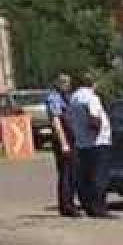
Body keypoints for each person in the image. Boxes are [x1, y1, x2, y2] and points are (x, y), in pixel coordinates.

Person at [67, 73, 113, 219]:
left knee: (86, 176)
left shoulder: (74, 98)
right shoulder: (91, 98)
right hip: (97, 142)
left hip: (82, 142)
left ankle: (88, 206)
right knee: (99, 176)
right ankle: (99, 208)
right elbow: (94, 118)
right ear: (92, 83)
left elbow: (70, 119)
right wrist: (97, 130)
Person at [45, 73, 79, 217]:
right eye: (63, 82)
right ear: (57, 83)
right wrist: (64, 142)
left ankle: (70, 202)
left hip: (72, 137)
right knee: (66, 173)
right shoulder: (54, 98)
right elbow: (56, 122)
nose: (66, 84)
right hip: (62, 138)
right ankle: (66, 206)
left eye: (68, 82)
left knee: (72, 173)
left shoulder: (68, 97)